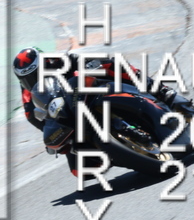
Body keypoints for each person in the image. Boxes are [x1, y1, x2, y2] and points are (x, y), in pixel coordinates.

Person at [12, 46, 176, 178]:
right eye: (28, 78)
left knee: (112, 64)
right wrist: (58, 140)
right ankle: (122, 154)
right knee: (80, 170)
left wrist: (91, 66)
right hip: (69, 113)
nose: (34, 80)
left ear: (45, 63)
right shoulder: (28, 97)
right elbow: (38, 120)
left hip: (88, 90)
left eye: (37, 73)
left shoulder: (60, 60)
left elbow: (82, 60)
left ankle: (158, 89)